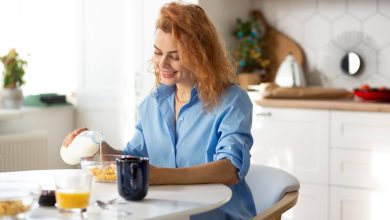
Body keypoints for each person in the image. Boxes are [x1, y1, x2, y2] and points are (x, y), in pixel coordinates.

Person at [63, 2, 256, 219]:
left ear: (200, 55)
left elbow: (230, 169)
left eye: (174, 56)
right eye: (158, 52)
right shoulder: (152, 104)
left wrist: (160, 176)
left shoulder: (232, 101)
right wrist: (96, 145)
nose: (162, 63)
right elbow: (135, 156)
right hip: (167, 213)